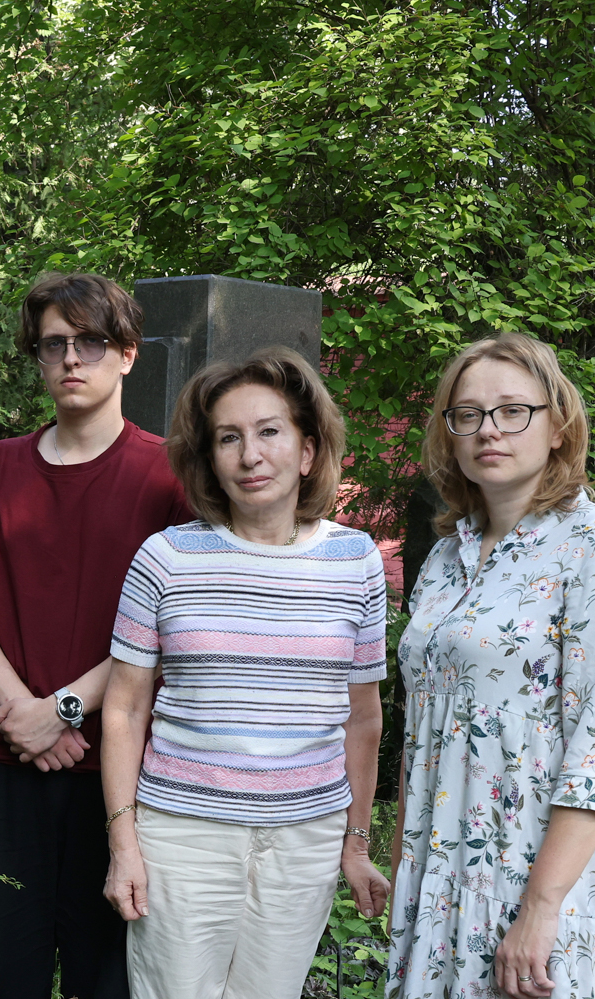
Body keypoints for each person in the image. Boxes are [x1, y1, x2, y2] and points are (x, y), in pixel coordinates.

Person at [100, 346, 391, 999]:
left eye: (269, 432)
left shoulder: (356, 561)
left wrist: (355, 844)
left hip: (304, 841)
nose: (250, 455)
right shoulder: (166, 558)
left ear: (307, 450)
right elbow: (123, 709)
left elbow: (363, 719)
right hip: (184, 837)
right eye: (228, 438)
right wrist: (123, 845)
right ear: (210, 458)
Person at [386, 332, 595, 999]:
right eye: (468, 414)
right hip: (444, 873)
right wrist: (402, 862)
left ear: (558, 426)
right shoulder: (446, 558)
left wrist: (540, 910)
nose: (489, 429)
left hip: (543, 887)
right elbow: (422, 723)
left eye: (514, 411)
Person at [0, 272, 190, 999]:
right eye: (54, 345)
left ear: (129, 354)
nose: (72, 358)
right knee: (1, 978)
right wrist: (27, 713)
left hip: (119, 774)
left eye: (91, 342)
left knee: (106, 981)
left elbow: (174, 626)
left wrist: (65, 711)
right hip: (1, 764)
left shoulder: (169, 476)